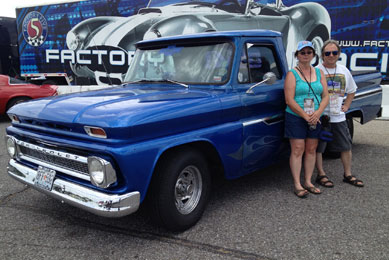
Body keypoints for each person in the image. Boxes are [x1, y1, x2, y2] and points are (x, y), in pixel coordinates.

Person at [315, 40, 364, 188]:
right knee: (319, 148)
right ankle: (321, 174)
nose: (331, 55)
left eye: (334, 53)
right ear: (322, 55)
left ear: (339, 54)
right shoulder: (316, 70)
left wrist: (347, 105)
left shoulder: (343, 70)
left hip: (338, 116)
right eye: (327, 53)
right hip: (322, 116)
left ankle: (348, 174)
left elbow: (352, 90)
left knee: (345, 146)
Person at [284, 41, 329, 198]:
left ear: (313, 55)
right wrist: (306, 116)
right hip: (296, 116)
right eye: (302, 52)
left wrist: (317, 114)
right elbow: (289, 100)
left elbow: (325, 96)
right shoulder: (292, 74)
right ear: (297, 55)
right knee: (298, 150)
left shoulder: (319, 73)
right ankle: (297, 184)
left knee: (311, 149)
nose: (306, 55)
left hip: (315, 117)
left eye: (309, 52)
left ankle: (308, 181)